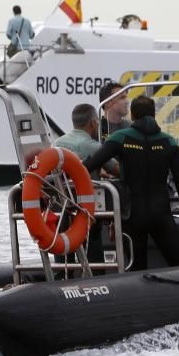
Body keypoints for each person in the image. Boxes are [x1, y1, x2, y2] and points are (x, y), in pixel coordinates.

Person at [83, 96, 179, 271]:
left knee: (137, 270)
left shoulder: (120, 138)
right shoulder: (169, 142)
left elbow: (92, 164)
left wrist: (66, 169)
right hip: (161, 215)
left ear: (133, 116)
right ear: (154, 114)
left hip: (133, 215)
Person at [54, 104, 119, 268]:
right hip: (86, 208)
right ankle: (96, 275)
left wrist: (99, 172)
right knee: (93, 242)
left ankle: (61, 274)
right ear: (93, 124)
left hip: (62, 205)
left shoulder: (57, 142)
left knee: (63, 241)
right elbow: (117, 169)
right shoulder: (93, 146)